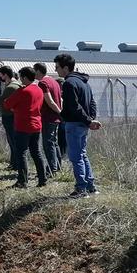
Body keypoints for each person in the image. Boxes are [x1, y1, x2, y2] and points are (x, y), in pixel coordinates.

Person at [52, 53, 101, 198]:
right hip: (83, 124)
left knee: (76, 157)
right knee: (82, 154)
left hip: (74, 123)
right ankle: (90, 186)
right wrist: (90, 119)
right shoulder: (84, 82)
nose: (56, 70)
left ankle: (81, 189)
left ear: (65, 68)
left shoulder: (69, 83)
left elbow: (74, 106)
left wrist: (88, 121)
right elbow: (92, 103)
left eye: (57, 67)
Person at [3, 68, 49, 188]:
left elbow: (7, 103)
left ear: (24, 77)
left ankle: (22, 181)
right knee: (37, 152)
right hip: (36, 125)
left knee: (21, 153)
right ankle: (42, 179)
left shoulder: (23, 91)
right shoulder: (39, 90)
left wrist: (15, 109)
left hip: (23, 126)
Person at [33, 63, 62, 176]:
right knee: (54, 142)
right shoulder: (54, 81)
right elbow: (60, 99)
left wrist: (59, 112)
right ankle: (57, 166)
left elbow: (49, 101)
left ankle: (51, 169)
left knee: (48, 143)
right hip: (55, 118)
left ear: (38, 71)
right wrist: (60, 112)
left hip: (48, 117)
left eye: (34, 71)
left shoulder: (43, 83)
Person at [0, 67, 20, 170]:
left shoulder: (11, 87)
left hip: (9, 117)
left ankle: (15, 164)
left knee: (13, 141)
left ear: (5, 75)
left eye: (0, 75)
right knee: (13, 141)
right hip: (12, 116)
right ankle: (14, 163)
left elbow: (0, 102)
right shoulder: (15, 85)